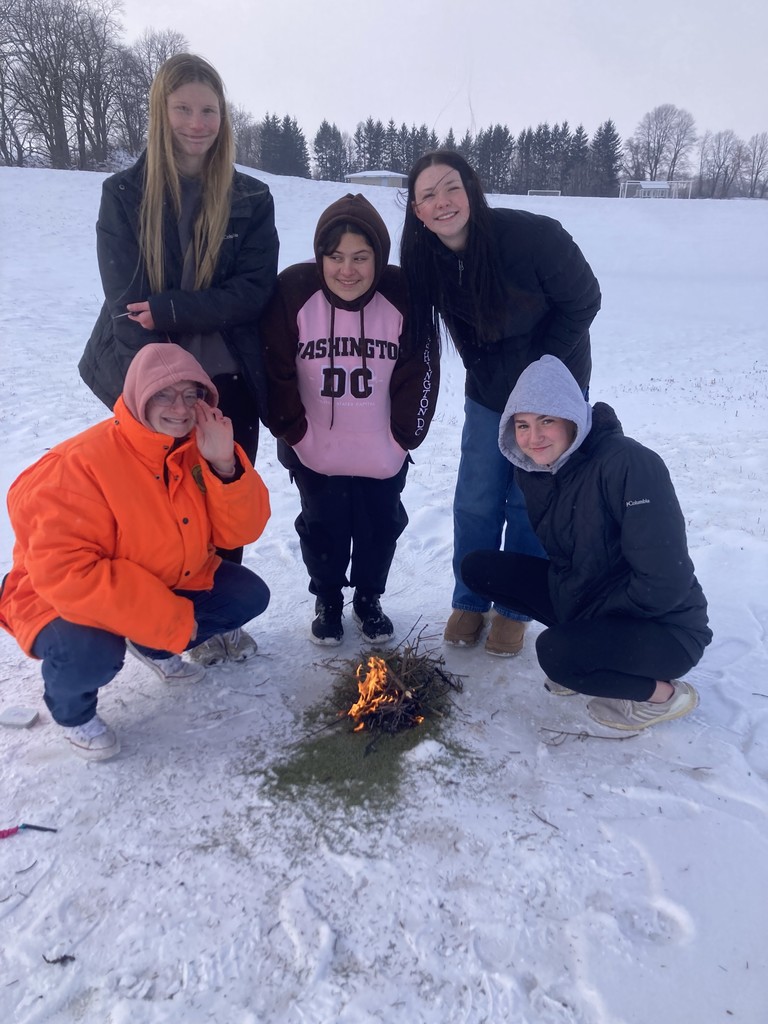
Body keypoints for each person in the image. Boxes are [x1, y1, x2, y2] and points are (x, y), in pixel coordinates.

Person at [78, 52, 278, 666]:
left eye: (209, 110)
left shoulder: (250, 196)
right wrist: (163, 391)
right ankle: (155, 618)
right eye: (184, 108)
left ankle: (211, 617)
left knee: (224, 492)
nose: (197, 123)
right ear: (160, 113)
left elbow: (252, 294)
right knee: (157, 507)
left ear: (225, 117)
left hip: (229, 376)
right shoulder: (124, 194)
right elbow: (124, 302)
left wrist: (169, 309)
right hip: (146, 375)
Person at [0, 344, 271, 760]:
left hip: (161, 576)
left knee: (248, 595)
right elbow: (71, 576)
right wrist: (171, 621)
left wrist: (224, 466)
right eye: (163, 394)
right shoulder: (76, 466)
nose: (179, 408)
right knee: (92, 654)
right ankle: (73, 714)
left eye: (190, 394)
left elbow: (244, 529)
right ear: (137, 398)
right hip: (55, 596)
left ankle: (152, 647)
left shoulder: (200, 448)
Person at [400, 151, 601, 657]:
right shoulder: (427, 260)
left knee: (530, 499)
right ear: (418, 212)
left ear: (471, 189)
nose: (442, 202)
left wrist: (541, 378)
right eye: (428, 195)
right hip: (489, 393)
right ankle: (470, 598)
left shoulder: (534, 238)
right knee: (476, 497)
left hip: (553, 390)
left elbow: (584, 300)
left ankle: (514, 608)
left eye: (451, 187)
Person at [461, 355, 711, 731]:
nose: (534, 437)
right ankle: (587, 649)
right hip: (589, 597)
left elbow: (665, 581)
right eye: (523, 425)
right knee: (479, 568)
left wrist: (589, 629)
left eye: (547, 420)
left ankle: (662, 696)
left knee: (556, 655)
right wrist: (584, 620)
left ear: (572, 418)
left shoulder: (629, 464)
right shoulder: (538, 471)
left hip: (665, 626)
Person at [261, 194, 439, 645]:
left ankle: (368, 598)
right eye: (335, 256)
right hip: (315, 448)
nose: (347, 270)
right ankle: (328, 598)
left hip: (382, 448)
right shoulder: (294, 290)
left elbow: (422, 368)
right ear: (320, 255)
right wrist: (293, 431)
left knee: (380, 528)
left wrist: (404, 437)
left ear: (378, 257)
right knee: (323, 528)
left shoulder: (403, 293)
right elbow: (274, 366)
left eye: (361, 257)